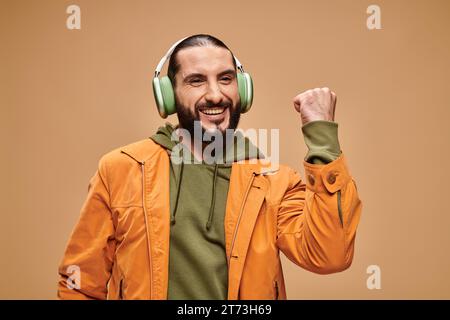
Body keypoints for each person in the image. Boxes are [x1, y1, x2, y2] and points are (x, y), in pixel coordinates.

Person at [57, 34, 362, 300]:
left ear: (243, 90)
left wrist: (322, 137)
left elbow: (329, 256)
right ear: (167, 95)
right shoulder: (120, 169)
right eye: (196, 80)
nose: (215, 94)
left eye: (226, 78)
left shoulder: (276, 181)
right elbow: (80, 284)